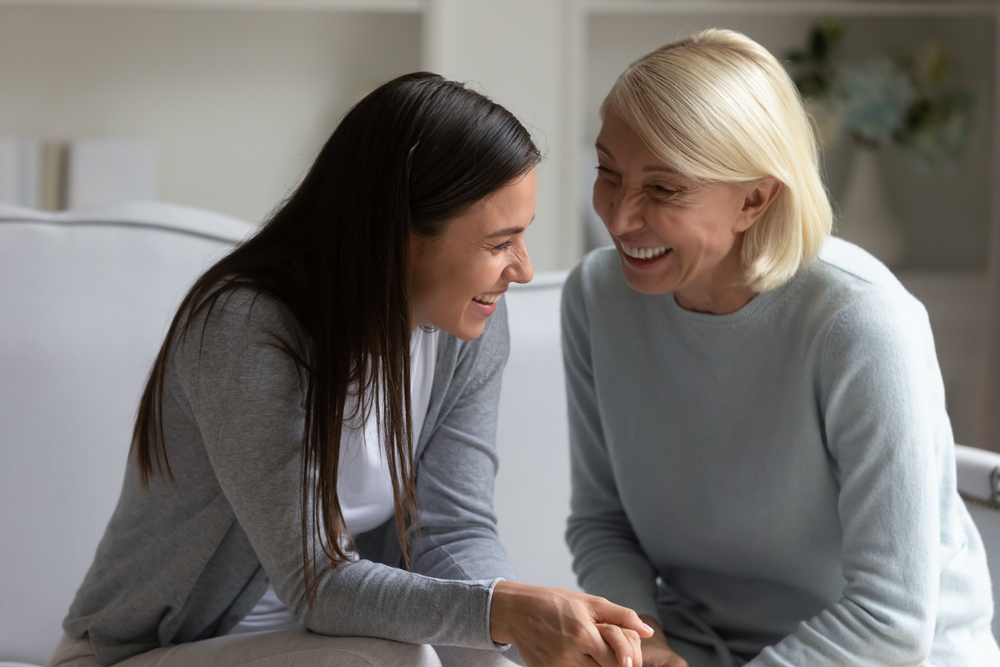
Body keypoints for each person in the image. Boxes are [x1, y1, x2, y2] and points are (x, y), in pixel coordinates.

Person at [49, 72, 652, 667]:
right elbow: (317, 583)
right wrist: (507, 612)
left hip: (328, 648)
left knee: (484, 657)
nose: (522, 269)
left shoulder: (470, 327)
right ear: (400, 236)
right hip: (154, 653)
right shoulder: (247, 327)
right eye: (500, 243)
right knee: (406, 659)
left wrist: (523, 623)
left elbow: (454, 531)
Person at [563, 29, 1000, 667]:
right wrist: (643, 646)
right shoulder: (597, 296)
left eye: (663, 189)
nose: (620, 215)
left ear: (755, 198)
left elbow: (892, 619)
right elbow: (603, 525)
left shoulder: (861, 321)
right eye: (608, 171)